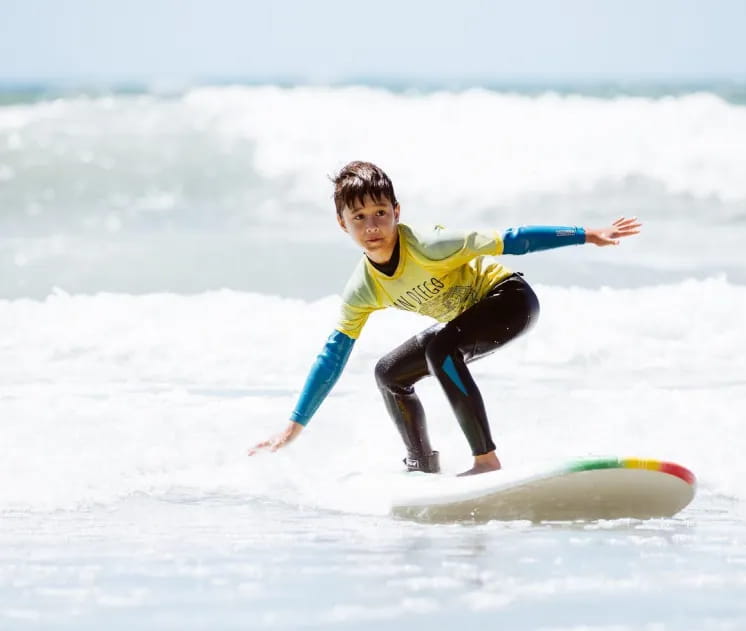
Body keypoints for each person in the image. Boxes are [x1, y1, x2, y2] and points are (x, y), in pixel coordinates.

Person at [250, 161, 641, 475]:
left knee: (441, 348)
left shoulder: (431, 246)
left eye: (381, 213)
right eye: (359, 217)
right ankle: (422, 465)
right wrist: (293, 426)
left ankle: (485, 460)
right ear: (342, 223)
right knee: (389, 374)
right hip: (466, 320)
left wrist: (586, 234)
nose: (372, 227)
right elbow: (334, 353)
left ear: (397, 212)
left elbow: (513, 238)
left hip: (510, 300)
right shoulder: (364, 288)